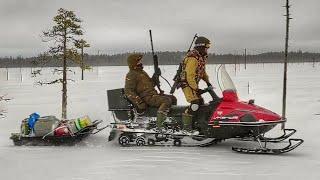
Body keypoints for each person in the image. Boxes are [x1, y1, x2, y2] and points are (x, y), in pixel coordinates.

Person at [124, 53, 177, 130]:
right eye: (138, 61)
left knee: (172, 98)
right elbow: (128, 91)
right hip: (146, 98)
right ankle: (160, 126)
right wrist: (139, 102)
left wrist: (155, 76)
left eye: (140, 61)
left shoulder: (142, 72)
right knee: (166, 100)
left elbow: (150, 84)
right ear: (133, 63)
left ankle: (169, 120)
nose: (140, 62)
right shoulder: (131, 74)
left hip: (152, 95)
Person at [179, 36, 218, 132]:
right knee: (195, 102)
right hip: (187, 84)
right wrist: (196, 89)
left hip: (192, 84)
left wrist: (208, 81)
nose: (207, 50)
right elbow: (189, 76)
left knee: (200, 101)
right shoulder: (193, 58)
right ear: (200, 47)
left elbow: (202, 72)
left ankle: (196, 122)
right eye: (206, 48)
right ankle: (186, 127)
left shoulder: (200, 58)